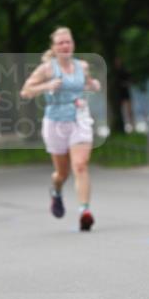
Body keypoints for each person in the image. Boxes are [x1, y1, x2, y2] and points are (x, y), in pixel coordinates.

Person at [21, 27, 101, 231]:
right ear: (54, 47)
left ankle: (84, 211)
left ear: (73, 44)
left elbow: (89, 84)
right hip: (55, 123)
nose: (65, 45)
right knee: (62, 173)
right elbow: (26, 91)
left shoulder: (82, 66)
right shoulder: (46, 69)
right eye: (60, 43)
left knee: (80, 165)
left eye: (68, 42)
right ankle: (56, 190)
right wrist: (46, 86)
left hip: (79, 120)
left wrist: (93, 85)